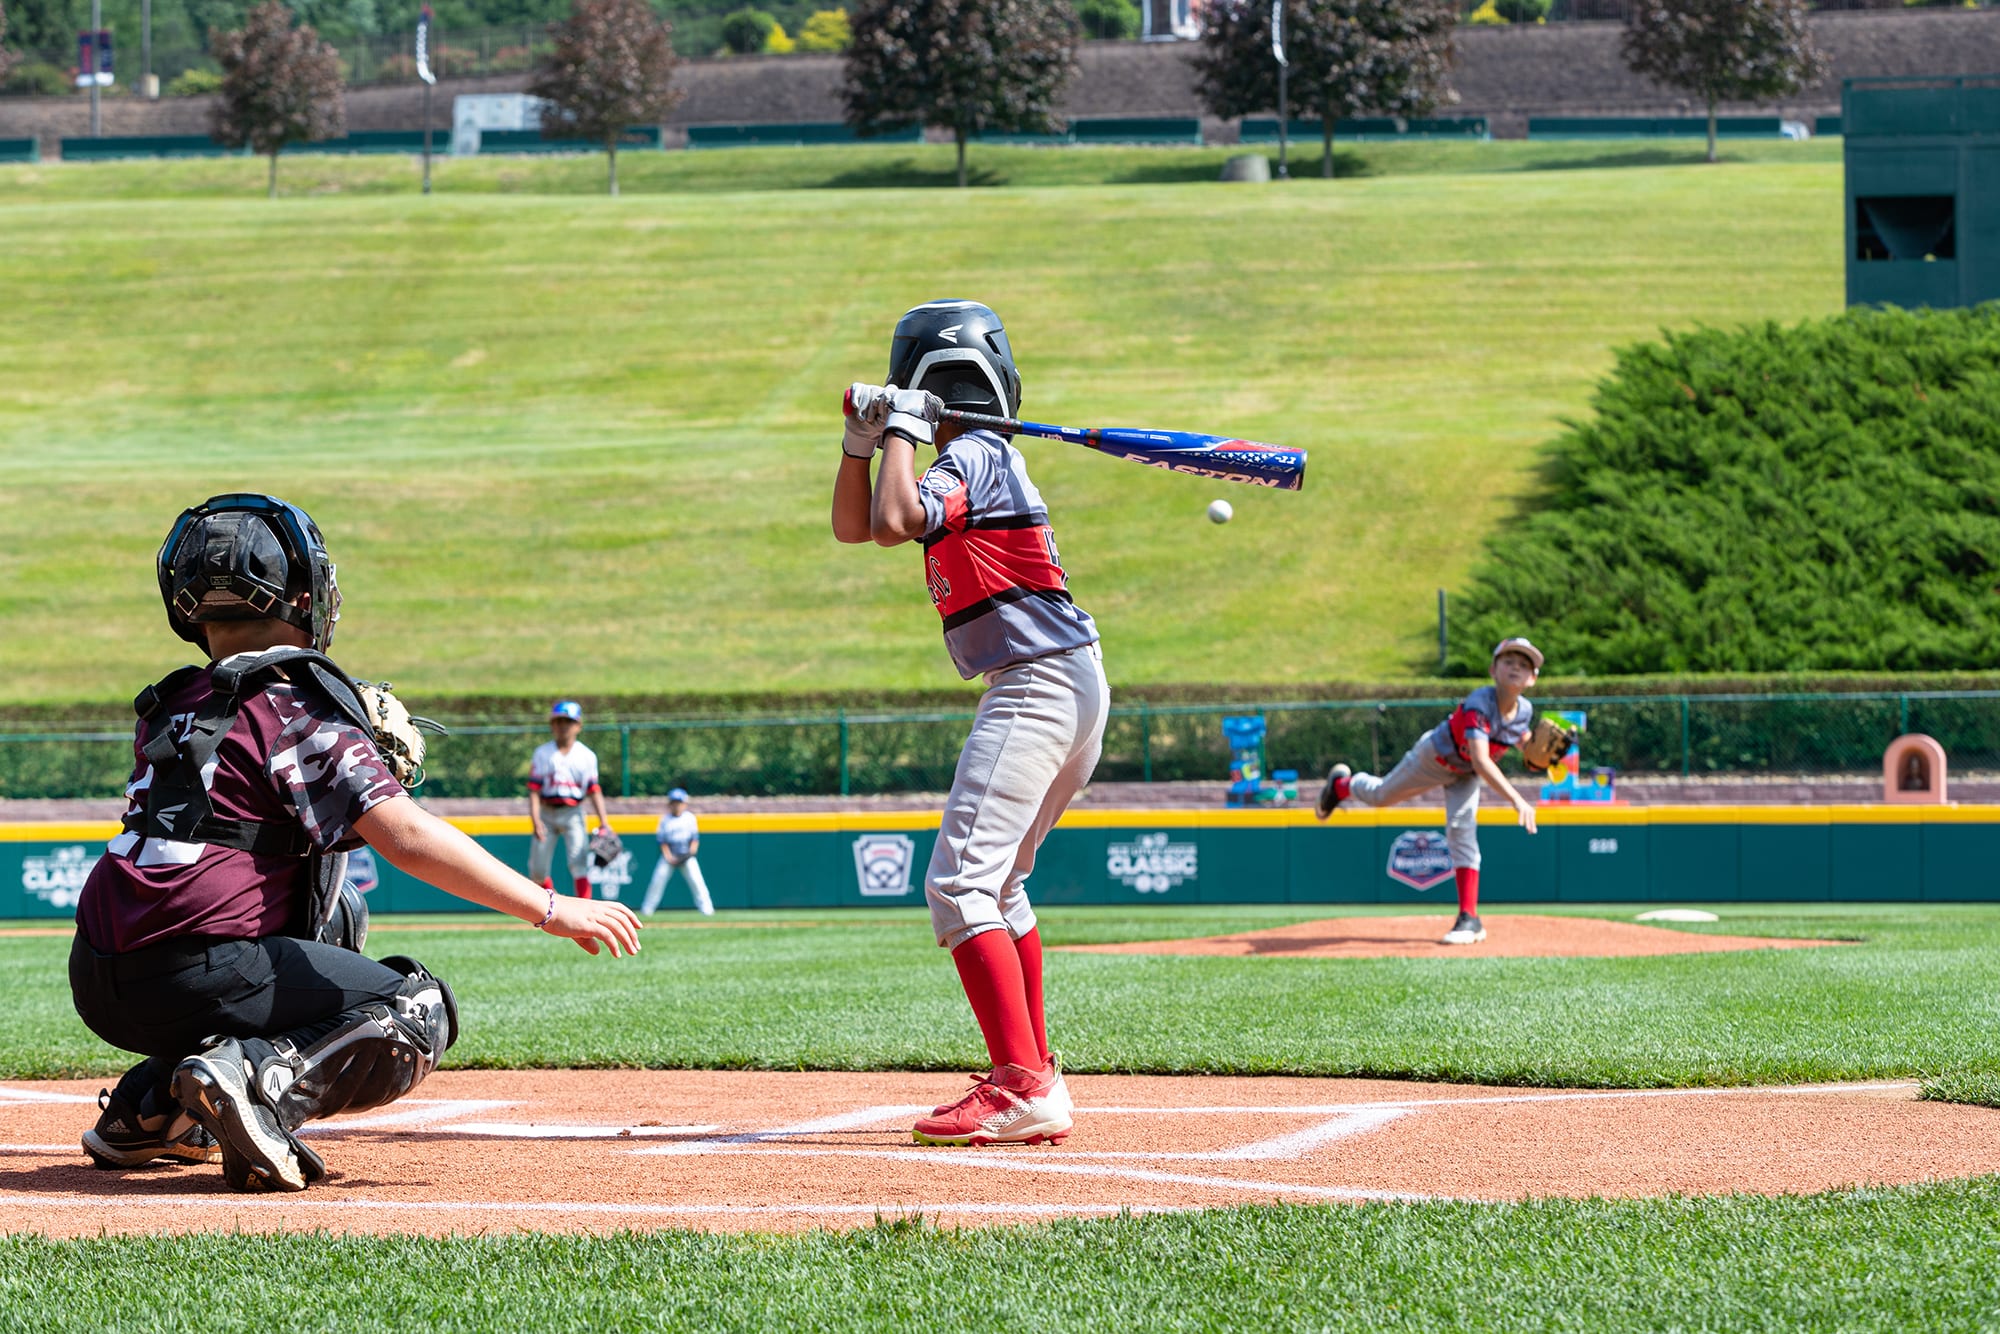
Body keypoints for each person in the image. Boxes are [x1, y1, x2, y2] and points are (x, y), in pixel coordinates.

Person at [71, 494, 642, 1194]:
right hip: (200, 968)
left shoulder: (174, 701)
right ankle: (257, 1082)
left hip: (97, 975)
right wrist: (552, 908)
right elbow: (406, 837)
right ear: (302, 593)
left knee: (337, 917)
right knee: (418, 1008)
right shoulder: (294, 699)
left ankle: (149, 1110)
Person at [832, 300, 1108, 1147]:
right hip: (1065, 679)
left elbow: (893, 523)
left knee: (959, 885)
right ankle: (1032, 1070)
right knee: (1004, 884)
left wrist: (905, 432)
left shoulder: (979, 455)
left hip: (1035, 683)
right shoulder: (981, 458)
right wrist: (864, 443)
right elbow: (855, 524)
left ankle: (1022, 1084)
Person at [1315, 637, 1545, 945]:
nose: (1516, 668)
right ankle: (1342, 785)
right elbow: (1480, 758)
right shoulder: (1481, 702)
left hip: (1465, 775)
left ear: (1533, 678)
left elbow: (1522, 742)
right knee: (1381, 796)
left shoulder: (1524, 711)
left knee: (1462, 831)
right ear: (1493, 669)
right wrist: (1517, 800)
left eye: (1524, 664)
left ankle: (1469, 918)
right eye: (1509, 661)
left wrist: (1541, 755)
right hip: (1434, 757)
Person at [527, 700, 612, 900]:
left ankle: (586, 917)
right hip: (546, 812)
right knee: (537, 870)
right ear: (552, 725)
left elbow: (593, 790)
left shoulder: (586, 756)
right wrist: (536, 819)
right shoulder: (542, 753)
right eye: (558, 721)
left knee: (579, 863)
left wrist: (604, 822)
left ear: (578, 725)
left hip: (573, 812)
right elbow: (533, 791)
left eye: (568, 721)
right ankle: (553, 904)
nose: (563, 726)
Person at [640, 787, 712, 916]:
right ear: (670, 804)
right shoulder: (665, 820)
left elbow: (695, 839)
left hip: (687, 856)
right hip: (669, 856)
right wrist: (669, 857)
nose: (676, 805)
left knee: (697, 881)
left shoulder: (690, 818)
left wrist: (690, 853)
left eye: (679, 802)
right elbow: (662, 842)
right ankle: (647, 910)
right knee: (657, 880)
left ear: (684, 804)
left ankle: (707, 910)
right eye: (674, 802)